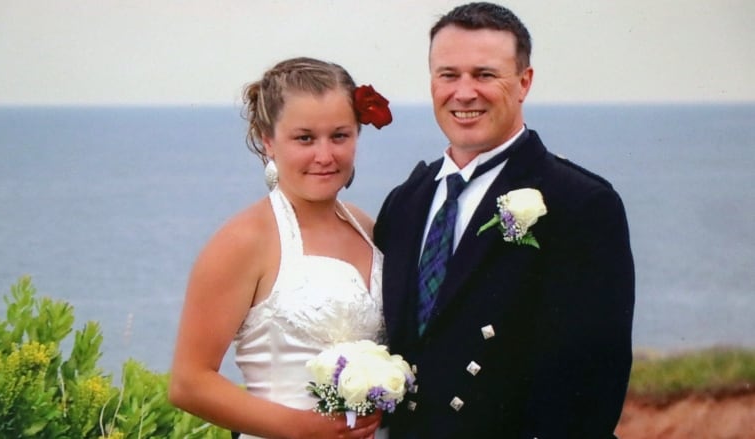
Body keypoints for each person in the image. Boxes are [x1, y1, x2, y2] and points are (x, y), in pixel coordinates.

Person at [374, 3, 635, 438]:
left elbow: (594, 386)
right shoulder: (405, 202)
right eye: (448, 74)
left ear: (524, 83)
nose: (464, 92)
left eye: (485, 74)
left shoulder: (582, 204)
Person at [169, 57, 393, 439]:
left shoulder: (368, 228)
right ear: (268, 140)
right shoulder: (244, 240)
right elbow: (189, 383)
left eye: (339, 136)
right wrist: (305, 429)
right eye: (304, 138)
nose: (325, 156)